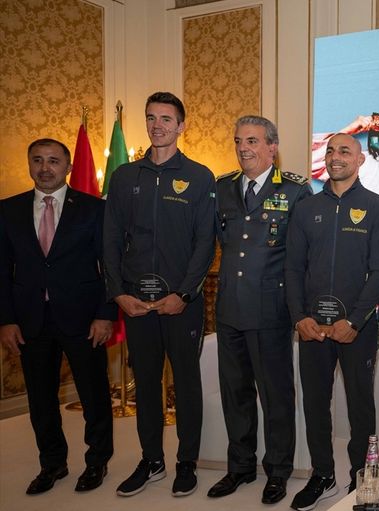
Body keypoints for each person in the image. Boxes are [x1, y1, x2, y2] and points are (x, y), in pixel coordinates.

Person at [103, 91, 217, 497]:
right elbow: (110, 238)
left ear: (181, 126)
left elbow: (205, 243)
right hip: (136, 303)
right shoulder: (124, 177)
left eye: (166, 119)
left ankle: (186, 462)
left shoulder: (200, 176)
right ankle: (152, 460)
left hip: (180, 304)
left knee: (185, 384)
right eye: (151, 117)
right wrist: (118, 294)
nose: (158, 125)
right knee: (146, 383)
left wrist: (183, 294)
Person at [285, 133, 379, 510]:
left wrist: (357, 320)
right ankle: (322, 474)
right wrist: (299, 318)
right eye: (330, 150)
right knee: (315, 404)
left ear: (360, 160)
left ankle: (362, 477)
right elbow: (292, 268)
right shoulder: (306, 208)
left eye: (345, 151)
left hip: (356, 329)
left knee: (361, 406)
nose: (335, 157)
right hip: (312, 329)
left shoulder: (378, 208)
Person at [0, 138, 116, 495]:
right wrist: (6, 319)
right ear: (29, 165)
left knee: (94, 396)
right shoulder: (8, 210)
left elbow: (110, 265)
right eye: (37, 160)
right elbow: (2, 270)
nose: (45, 168)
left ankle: (97, 462)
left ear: (68, 167)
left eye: (53, 161)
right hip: (30, 320)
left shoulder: (94, 209)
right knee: (41, 400)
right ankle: (52, 464)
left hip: (84, 319)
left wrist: (105, 314)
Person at [207, 116, 312, 504]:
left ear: (272, 147)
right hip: (229, 308)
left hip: (271, 310)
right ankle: (240, 467)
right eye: (238, 141)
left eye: (252, 141)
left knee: (276, 396)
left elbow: (303, 256)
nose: (243, 148)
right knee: (235, 393)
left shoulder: (296, 190)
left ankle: (278, 471)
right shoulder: (223, 188)